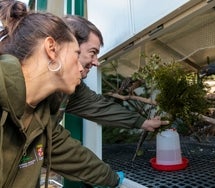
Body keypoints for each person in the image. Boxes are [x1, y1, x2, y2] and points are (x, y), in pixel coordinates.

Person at [0, 1, 121, 188]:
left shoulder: (40, 119)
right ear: (52, 49)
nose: (81, 67)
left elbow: (75, 157)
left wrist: (115, 181)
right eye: (75, 53)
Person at [59, 15, 169, 131]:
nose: (97, 63)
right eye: (92, 53)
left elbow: (99, 107)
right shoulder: (43, 86)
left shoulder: (71, 88)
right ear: (69, 47)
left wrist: (143, 123)